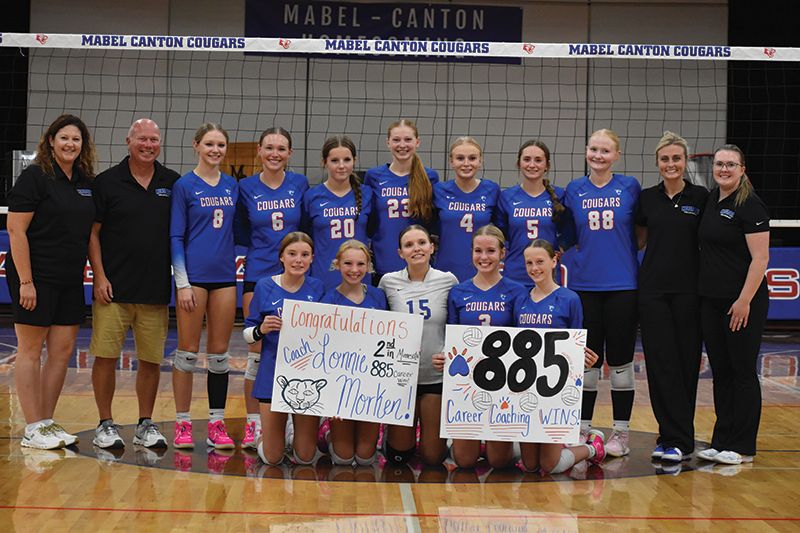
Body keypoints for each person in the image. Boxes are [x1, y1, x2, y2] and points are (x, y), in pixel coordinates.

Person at [88, 118, 180, 449]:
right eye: (142, 139)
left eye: (154, 139)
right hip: (113, 290)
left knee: (152, 360)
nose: (148, 145)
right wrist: (99, 276)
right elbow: (93, 233)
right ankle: (104, 424)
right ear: (128, 141)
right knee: (105, 358)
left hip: (154, 289)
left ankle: (145, 424)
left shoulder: (173, 183)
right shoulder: (107, 182)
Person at [6, 114, 96, 449]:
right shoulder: (35, 177)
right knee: (30, 351)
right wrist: (26, 282)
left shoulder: (85, 181)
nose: (70, 144)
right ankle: (32, 426)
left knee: (61, 352)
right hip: (36, 275)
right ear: (51, 141)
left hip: (70, 277)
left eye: (76, 139)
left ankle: (46, 421)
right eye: (64, 138)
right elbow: (16, 231)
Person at [562, 128, 641, 457]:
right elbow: (566, 234)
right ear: (585, 152)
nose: (598, 155)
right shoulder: (574, 190)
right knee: (587, 365)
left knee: (621, 363)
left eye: (605, 150)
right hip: (585, 287)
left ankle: (621, 433)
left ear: (617, 155)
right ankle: (581, 427)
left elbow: (641, 231)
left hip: (623, 286)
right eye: (593, 149)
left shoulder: (629, 187)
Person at [635, 132, 709, 462]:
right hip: (652, 292)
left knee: (685, 364)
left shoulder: (701, 196)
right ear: (657, 163)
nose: (671, 164)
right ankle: (668, 436)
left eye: (676, 158)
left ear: (685, 161)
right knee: (661, 366)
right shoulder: (647, 198)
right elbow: (639, 241)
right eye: (665, 159)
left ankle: (682, 437)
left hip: (689, 293)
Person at [696, 145, 770, 466]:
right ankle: (721, 439)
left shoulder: (751, 205)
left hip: (742, 302)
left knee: (742, 372)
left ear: (742, 170)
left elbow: (761, 259)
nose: (724, 169)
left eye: (731, 164)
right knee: (721, 372)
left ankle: (742, 446)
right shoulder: (712, 199)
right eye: (719, 164)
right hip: (711, 302)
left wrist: (744, 300)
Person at [235, 127, 308, 449]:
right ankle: (254, 424)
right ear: (260, 152)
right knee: (257, 354)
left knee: (297, 353)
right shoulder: (245, 187)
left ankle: (290, 421)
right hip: (259, 273)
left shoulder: (300, 184)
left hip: (295, 276)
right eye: (269, 148)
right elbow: (240, 231)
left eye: (281, 148)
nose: (275, 153)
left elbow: (307, 229)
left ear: (289, 153)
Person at [170, 123, 239, 449]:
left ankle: (216, 423)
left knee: (220, 356)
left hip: (225, 278)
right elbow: (176, 236)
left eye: (221, 145)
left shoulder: (232, 185)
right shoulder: (184, 186)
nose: (215, 150)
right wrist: (182, 283)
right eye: (209, 144)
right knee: (186, 353)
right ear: (196, 145)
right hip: (193, 280)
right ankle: (182, 422)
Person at [515, 239, 606, 473]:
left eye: (540, 262)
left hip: (555, 389)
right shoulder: (520, 300)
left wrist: (585, 358)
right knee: (530, 464)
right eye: (529, 263)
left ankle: (592, 447)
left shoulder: (569, 299)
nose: (534, 268)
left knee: (550, 465)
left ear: (554, 261)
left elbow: (576, 343)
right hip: (526, 387)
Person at [445, 224, 526, 468]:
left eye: (490, 251)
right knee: (464, 460)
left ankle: (507, 443)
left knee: (499, 462)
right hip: (467, 383)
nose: (484, 257)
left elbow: (526, 340)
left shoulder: (517, 291)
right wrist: (444, 356)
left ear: (503, 253)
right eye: (478, 251)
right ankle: (464, 441)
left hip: (503, 383)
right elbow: (452, 339)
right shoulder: (458, 292)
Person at [243, 232, 325, 465]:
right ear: (281, 257)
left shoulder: (318, 288)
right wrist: (262, 329)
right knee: (272, 458)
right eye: (292, 254)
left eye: (304, 255)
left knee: (306, 457)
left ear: (312, 259)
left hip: (307, 376)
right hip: (272, 374)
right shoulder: (265, 286)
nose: (298, 260)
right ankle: (266, 436)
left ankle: (292, 432)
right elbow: (247, 334)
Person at [379, 224, 457, 466]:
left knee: (432, 458)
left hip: (435, 377)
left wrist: (448, 353)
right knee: (398, 457)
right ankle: (387, 435)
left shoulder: (448, 281)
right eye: (409, 245)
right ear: (400, 252)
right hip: (402, 377)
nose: (416, 249)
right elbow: (380, 328)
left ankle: (449, 439)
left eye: (422, 243)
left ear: (432, 247)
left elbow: (456, 326)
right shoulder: (388, 282)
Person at [319, 240, 388, 466]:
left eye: (360, 264)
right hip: (340, 386)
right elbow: (322, 350)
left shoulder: (379, 297)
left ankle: (376, 435)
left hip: (371, 386)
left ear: (368, 266)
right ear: (337, 264)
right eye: (347, 263)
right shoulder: (328, 300)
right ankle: (326, 431)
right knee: (342, 458)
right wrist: (330, 399)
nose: (354, 270)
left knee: (366, 459)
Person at [364, 119, 438, 279]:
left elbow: (432, 221)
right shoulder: (374, 176)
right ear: (388, 143)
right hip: (384, 264)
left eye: (408, 139)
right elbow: (369, 221)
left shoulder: (429, 177)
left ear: (417, 142)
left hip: (418, 266)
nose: (402, 145)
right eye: (396, 140)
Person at [303, 136, 373, 289]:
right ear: (324, 162)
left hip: (359, 278)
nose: (341, 166)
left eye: (347, 160)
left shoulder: (367, 194)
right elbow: (305, 237)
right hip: (323, 279)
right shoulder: (312, 196)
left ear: (354, 161)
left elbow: (374, 231)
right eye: (335, 160)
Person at [495, 140, 567, 287]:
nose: (532, 165)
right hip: (515, 276)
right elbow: (501, 235)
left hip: (549, 277)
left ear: (547, 165)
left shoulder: (560, 195)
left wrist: (561, 247)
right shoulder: (506, 197)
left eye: (538, 160)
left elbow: (568, 231)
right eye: (527, 159)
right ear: (519, 163)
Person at [433, 138, 500, 282]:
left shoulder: (492, 190)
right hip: (445, 271)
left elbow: (501, 230)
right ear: (451, 161)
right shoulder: (439, 190)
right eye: (460, 158)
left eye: (472, 158)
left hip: (482, 270)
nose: (466, 163)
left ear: (480, 161)